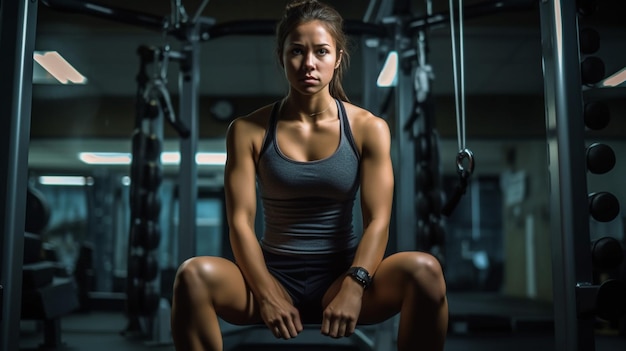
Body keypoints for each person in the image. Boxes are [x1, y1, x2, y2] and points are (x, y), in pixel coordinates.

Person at [170, 1, 448, 350]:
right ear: (282, 56)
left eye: (321, 51)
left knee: (425, 270)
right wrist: (267, 292)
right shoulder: (246, 130)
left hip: (342, 275)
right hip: (271, 274)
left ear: (338, 57)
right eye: (297, 51)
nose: (309, 64)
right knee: (192, 276)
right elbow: (240, 222)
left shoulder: (368, 128)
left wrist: (354, 283)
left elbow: (378, 220)